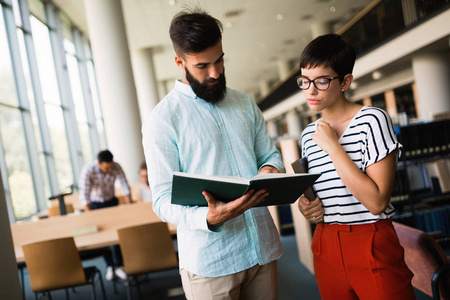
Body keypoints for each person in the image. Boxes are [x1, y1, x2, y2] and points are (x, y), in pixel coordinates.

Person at [142, 7, 285, 300]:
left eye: (219, 60)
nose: (215, 72)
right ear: (179, 62)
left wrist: (270, 171)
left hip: (261, 249)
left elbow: (270, 157)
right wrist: (208, 219)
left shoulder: (245, 103)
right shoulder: (163, 120)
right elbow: (160, 199)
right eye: (202, 66)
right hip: (210, 262)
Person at [296, 34, 414, 299]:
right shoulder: (307, 135)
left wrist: (334, 147)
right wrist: (308, 207)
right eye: (305, 80)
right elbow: (323, 194)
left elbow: (376, 202)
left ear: (345, 81)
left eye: (322, 81)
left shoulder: (372, 120)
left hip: (370, 239)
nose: (310, 90)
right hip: (325, 240)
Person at [78, 149, 131, 281]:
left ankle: (119, 266)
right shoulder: (88, 170)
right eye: (107, 168)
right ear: (99, 164)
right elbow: (84, 195)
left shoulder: (115, 166)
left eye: (111, 166)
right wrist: (89, 215)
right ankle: (110, 266)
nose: (110, 170)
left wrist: (130, 206)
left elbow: (124, 185)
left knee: (116, 235)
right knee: (103, 237)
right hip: (96, 205)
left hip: (111, 201)